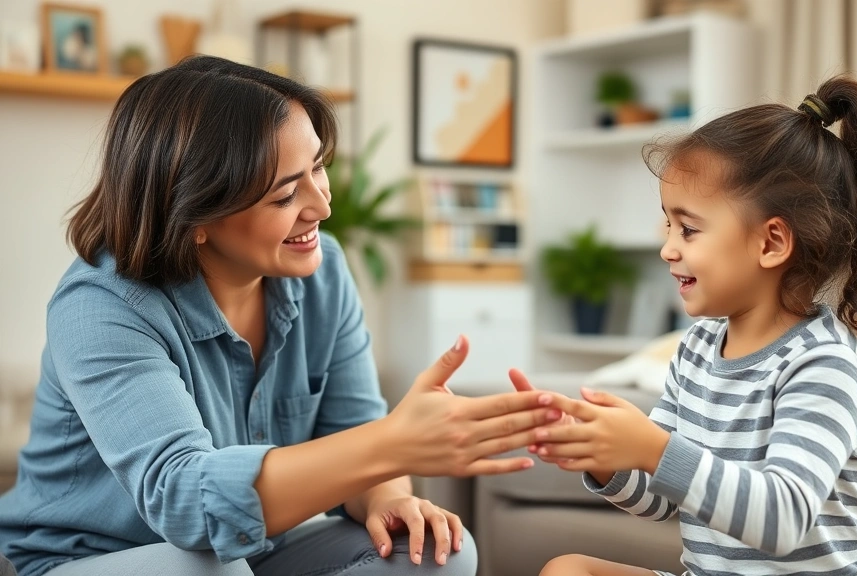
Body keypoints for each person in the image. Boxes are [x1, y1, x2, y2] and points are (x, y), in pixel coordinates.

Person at [0, 55, 562, 576]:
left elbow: (354, 434)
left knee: (438, 555)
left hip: (251, 552)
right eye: (286, 194)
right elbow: (186, 503)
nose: (322, 204)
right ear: (194, 213)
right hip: (88, 559)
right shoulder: (102, 305)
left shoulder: (323, 271)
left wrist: (391, 497)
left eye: (318, 169)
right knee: (201, 568)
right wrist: (394, 442)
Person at [514, 74, 857, 576]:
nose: (668, 247)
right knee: (568, 570)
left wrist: (651, 445)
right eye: (667, 224)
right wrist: (602, 453)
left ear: (770, 243)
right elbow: (663, 498)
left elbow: (782, 518)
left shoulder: (824, 364)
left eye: (688, 228)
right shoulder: (699, 347)